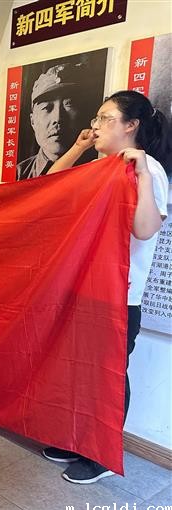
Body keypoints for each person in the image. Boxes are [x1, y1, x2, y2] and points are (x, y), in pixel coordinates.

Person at [43, 90, 170, 484]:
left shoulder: (148, 170)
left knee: (108, 375)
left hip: (119, 295)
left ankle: (100, 454)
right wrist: (79, 148)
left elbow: (145, 229)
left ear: (131, 125)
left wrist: (143, 175)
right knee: (79, 370)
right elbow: (50, 188)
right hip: (85, 286)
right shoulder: (102, 166)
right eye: (96, 118)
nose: (96, 126)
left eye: (105, 118)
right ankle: (76, 440)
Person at [17, 62, 89, 180]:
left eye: (69, 104)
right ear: (32, 121)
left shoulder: (97, 170)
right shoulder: (18, 175)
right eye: (46, 108)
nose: (57, 118)